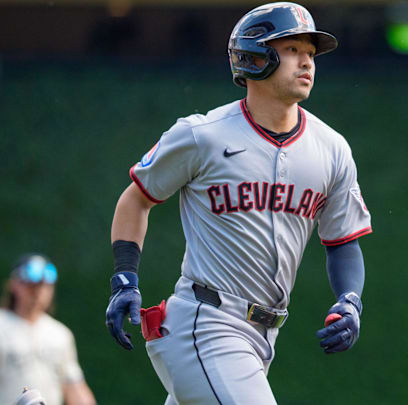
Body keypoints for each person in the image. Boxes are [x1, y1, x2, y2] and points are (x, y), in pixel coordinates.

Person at [104, 2, 372, 404]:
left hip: (264, 337)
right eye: (293, 49)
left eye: (311, 53)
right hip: (205, 323)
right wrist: (125, 278)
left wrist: (350, 301)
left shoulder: (331, 149)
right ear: (254, 55)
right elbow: (136, 200)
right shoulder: (203, 135)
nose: (307, 62)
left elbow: (343, 242)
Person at [0, 254, 96, 405]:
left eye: (44, 285)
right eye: (30, 284)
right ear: (14, 285)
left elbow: (74, 387)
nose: (38, 291)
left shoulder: (60, 334)